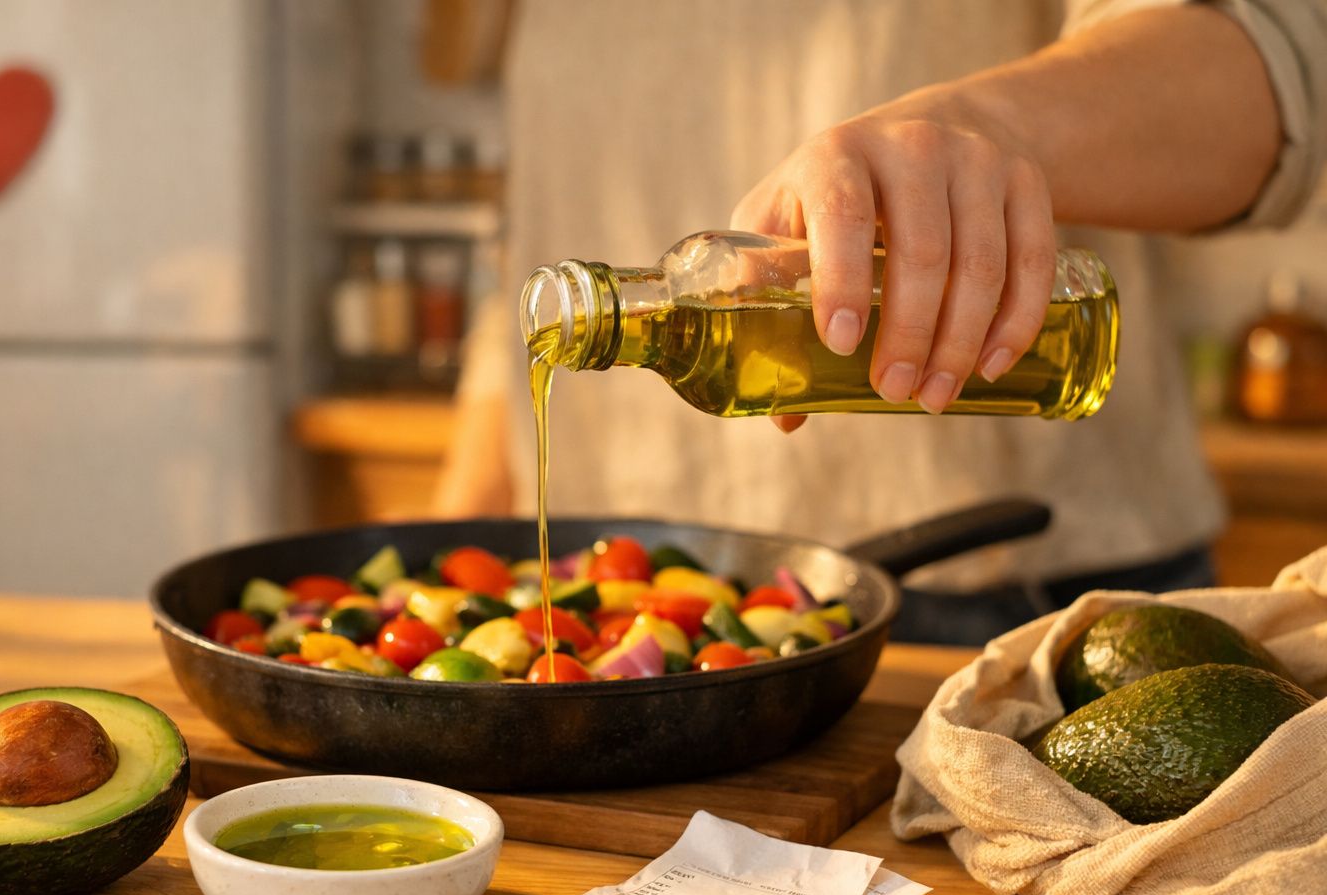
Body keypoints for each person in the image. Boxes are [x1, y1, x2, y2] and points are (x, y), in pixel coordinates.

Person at [431, 0, 1327, 645]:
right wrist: (460, 541)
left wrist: (986, 122)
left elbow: (1272, 70)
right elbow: (550, 212)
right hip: (615, 596)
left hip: (1008, 598)